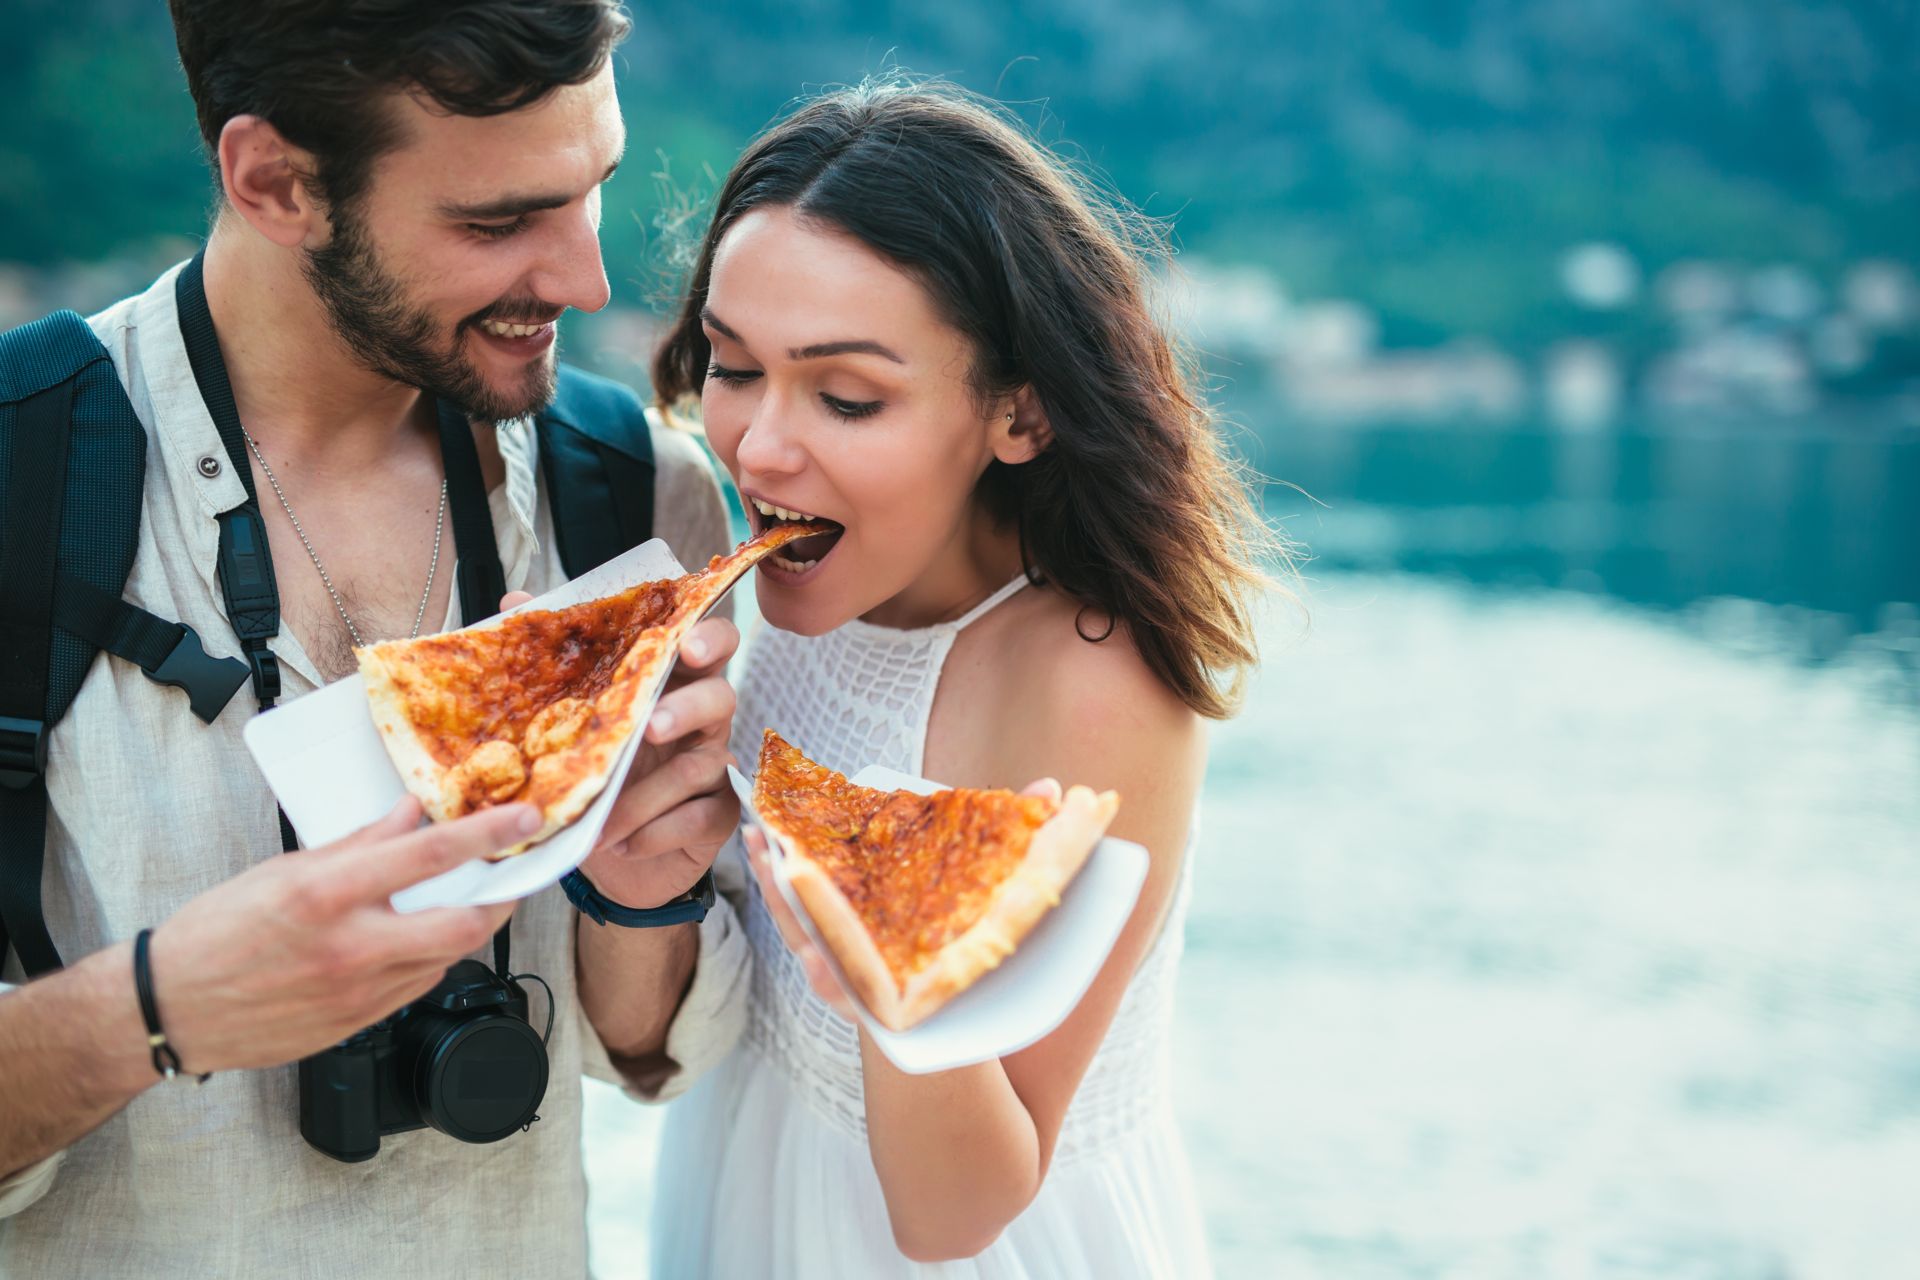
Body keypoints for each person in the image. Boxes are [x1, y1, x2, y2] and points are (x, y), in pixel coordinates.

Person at [0, 3, 751, 1274]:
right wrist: (156, 1006)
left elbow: (648, 1052)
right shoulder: (20, 477)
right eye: (500, 221)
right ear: (275, 180)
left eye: (594, 190)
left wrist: (640, 881)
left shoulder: (638, 493)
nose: (587, 280)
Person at [645, 80, 1277, 1276]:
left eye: (846, 396)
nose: (761, 447)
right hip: (742, 1204)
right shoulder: (790, 592)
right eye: (731, 366)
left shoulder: (1089, 677)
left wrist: (900, 990)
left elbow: (959, 1211)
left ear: (1021, 415)